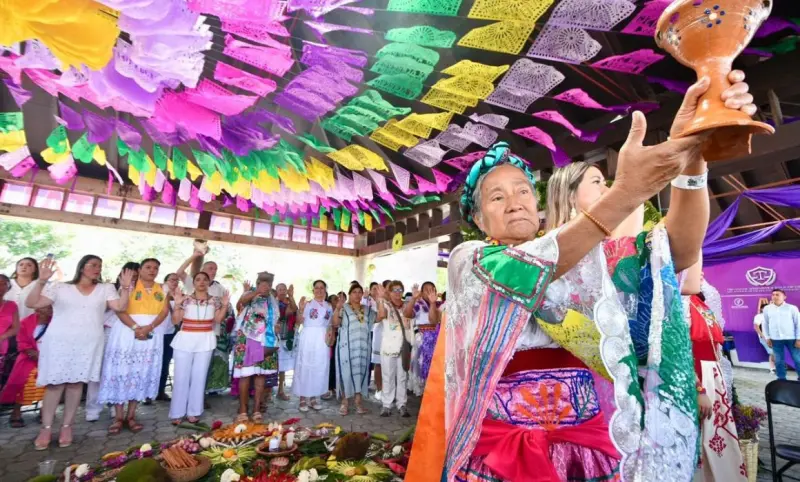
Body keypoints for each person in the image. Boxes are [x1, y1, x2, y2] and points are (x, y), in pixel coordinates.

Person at [406, 70, 758, 482]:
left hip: (589, 444)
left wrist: (692, 153)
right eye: (496, 197)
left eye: (522, 191)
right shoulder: (473, 261)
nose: (514, 202)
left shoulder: (584, 262)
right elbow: (536, 266)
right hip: (501, 450)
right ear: (480, 219)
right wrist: (627, 191)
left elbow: (677, 249)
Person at [27, 256, 134, 450]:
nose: (97, 269)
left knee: (76, 384)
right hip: (59, 341)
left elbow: (120, 307)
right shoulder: (60, 287)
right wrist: (41, 281)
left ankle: (67, 426)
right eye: (93, 265)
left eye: (99, 266)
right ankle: (46, 427)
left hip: (88, 341)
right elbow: (32, 303)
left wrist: (125, 288)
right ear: (81, 267)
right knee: (54, 385)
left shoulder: (105, 288)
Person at [683, 260, 747, 481]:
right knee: (699, 437)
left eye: (701, 270)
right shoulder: (678, 305)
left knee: (718, 437)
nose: (700, 274)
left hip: (714, 377)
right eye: (693, 269)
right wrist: (698, 389)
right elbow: (680, 350)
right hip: (695, 376)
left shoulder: (702, 303)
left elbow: (715, 343)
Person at [99, 258, 170, 434]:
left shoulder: (161, 288)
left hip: (150, 333)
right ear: (140, 269)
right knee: (121, 371)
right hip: (126, 331)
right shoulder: (129, 286)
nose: (152, 270)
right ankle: (117, 417)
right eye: (148, 267)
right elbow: (120, 310)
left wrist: (149, 327)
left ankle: (131, 416)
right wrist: (136, 328)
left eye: (156, 268)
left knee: (140, 372)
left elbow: (164, 311)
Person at [168, 272, 230, 424]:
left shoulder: (215, 300)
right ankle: (177, 412)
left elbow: (218, 319)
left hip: (205, 339)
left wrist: (225, 305)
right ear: (193, 282)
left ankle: (194, 411)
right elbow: (176, 321)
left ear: (209, 283)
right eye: (198, 279)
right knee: (181, 376)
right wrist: (176, 304)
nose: (201, 282)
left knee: (199, 376)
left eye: (205, 279)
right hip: (185, 339)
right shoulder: (185, 299)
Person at [86, 262, 139, 423]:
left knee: (120, 371)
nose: (132, 279)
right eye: (129, 275)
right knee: (99, 370)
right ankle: (93, 407)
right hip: (107, 332)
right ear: (121, 274)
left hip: (129, 334)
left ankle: (114, 406)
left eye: (136, 276)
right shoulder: (108, 289)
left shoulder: (142, 292)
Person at [176, 249, 232, 395]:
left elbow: (223, 312)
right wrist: (194, 255)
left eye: (215, 269)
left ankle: (200, 396)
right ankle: (184, 395)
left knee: (204, 367)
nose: (213, 271)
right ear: (202, 270)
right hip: (190, 333)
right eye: (210, 268)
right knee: (186, 367)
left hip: (212, 332)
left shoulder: (220, 288)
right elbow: (180, 271)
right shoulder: (192, 284)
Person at [232, 272, 280, 422]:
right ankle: (243, 410)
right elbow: (241, 302)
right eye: (263, 283)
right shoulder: (250, 295)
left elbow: (275, 318)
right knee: (246, 374)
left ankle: (257, 409)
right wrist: (256, 292)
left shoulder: (272, 300)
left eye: (269, 284)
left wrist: (276, 326)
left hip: (266, 340)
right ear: (257, 284)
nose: (266, 286)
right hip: (248, 339)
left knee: (260, 374)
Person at [0, 306, 51, 427]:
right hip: (29, 358)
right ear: (37, 309)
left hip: (50, 359)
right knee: (25, 381)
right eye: (47, 308)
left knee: (51, 381)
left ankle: (45, 411)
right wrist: (31, 352)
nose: (50, 310)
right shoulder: (26, 322)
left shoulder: (55, 321)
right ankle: (16, 412)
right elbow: (21, 342)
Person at [333, 283, 377, 415]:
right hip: (346, 347)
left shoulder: (368, 310)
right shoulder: (344, 308)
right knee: (346, 373)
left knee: (361, 373)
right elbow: (335, 323)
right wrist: (337, 308)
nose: (357, 295)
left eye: (359, 292)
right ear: (350, 294)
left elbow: (380, 317)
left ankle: (358, 403)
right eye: (354, 292)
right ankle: (344, 403)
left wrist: (379, 299)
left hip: (363, 347)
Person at [293, 280, 332, 412]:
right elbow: (298, 322)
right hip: (308, 338)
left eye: (322, 288)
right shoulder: (308, 304)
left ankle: (315, 397)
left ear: (325, 290)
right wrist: (300, 309)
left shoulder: (329, 306)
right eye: (317, 288)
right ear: (313, 290)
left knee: (319, 367)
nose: (319, 290)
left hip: (322, 339)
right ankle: (303, 398)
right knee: (306, 366)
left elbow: (331, 324)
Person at [378, 280, 411, 418]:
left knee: (402, 377)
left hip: (403, 346)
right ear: (389, 292)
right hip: (388, 347)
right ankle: (386, 405)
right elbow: (381, 315)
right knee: (388, 376)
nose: (397, 293)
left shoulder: (406, 306)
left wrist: (414, 299)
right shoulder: (385, 305)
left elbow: (411, 316)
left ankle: (401, 404)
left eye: (400, 290)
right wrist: (380, 299)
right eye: (394, 290)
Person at [404, 281, 440, 395]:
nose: (430, 292)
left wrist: (433, 303)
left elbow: (434, 321)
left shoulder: (440, 305)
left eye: (432, 289)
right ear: (421, 292)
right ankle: (422, 391)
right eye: (426, 290)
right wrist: (413, 299)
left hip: (436, 340)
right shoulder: (419, 304)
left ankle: (432, 390)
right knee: (421, 364)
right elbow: (407, 314)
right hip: (422, 339)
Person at [763, 288, 800, 380]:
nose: (775, 296)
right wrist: (767, 338)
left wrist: (798, 338)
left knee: (797, 359)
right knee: (779, 360)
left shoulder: (791, 308)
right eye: (773, 295)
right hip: (775, 339)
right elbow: (765, 324)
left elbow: (798, 323)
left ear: (784, 297)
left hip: (791, 338)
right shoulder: (767, 309)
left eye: (777, 294)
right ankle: (781, 379)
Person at [156, 273, 181, 401]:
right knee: (153, 362)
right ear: (165, 281)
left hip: (170, 333)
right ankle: (149, 393)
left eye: (177, 280)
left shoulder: (179, 295)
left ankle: (160, 391)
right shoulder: (158, 292)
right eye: (172, 279)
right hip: (155, 332)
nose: (175, 282)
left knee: (165, 363)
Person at [275, 282, 297, 400]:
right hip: (273, 337)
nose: (283, 291)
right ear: (276, 291)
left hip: (285, 337)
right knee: (272, 365)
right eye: (280, 289)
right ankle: (267, 392)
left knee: (282, 366)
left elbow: (294, 310)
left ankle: (280, 390)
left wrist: (291, 296)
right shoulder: (272, 302)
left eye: (284, 289)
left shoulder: (289, 302)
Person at [0, 275, 20, 382]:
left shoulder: (12, 305)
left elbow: (16, 328)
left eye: (4, 284)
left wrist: (2, 337)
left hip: (2, 347)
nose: (1, 286)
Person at [753, 298, 775, 374]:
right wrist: (762, 336)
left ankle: (773, 368)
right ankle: (773, 368)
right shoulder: (759, 316)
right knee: (772, 352)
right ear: (762, 309)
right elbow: (756, 327)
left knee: (775, 352)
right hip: (765, 338)